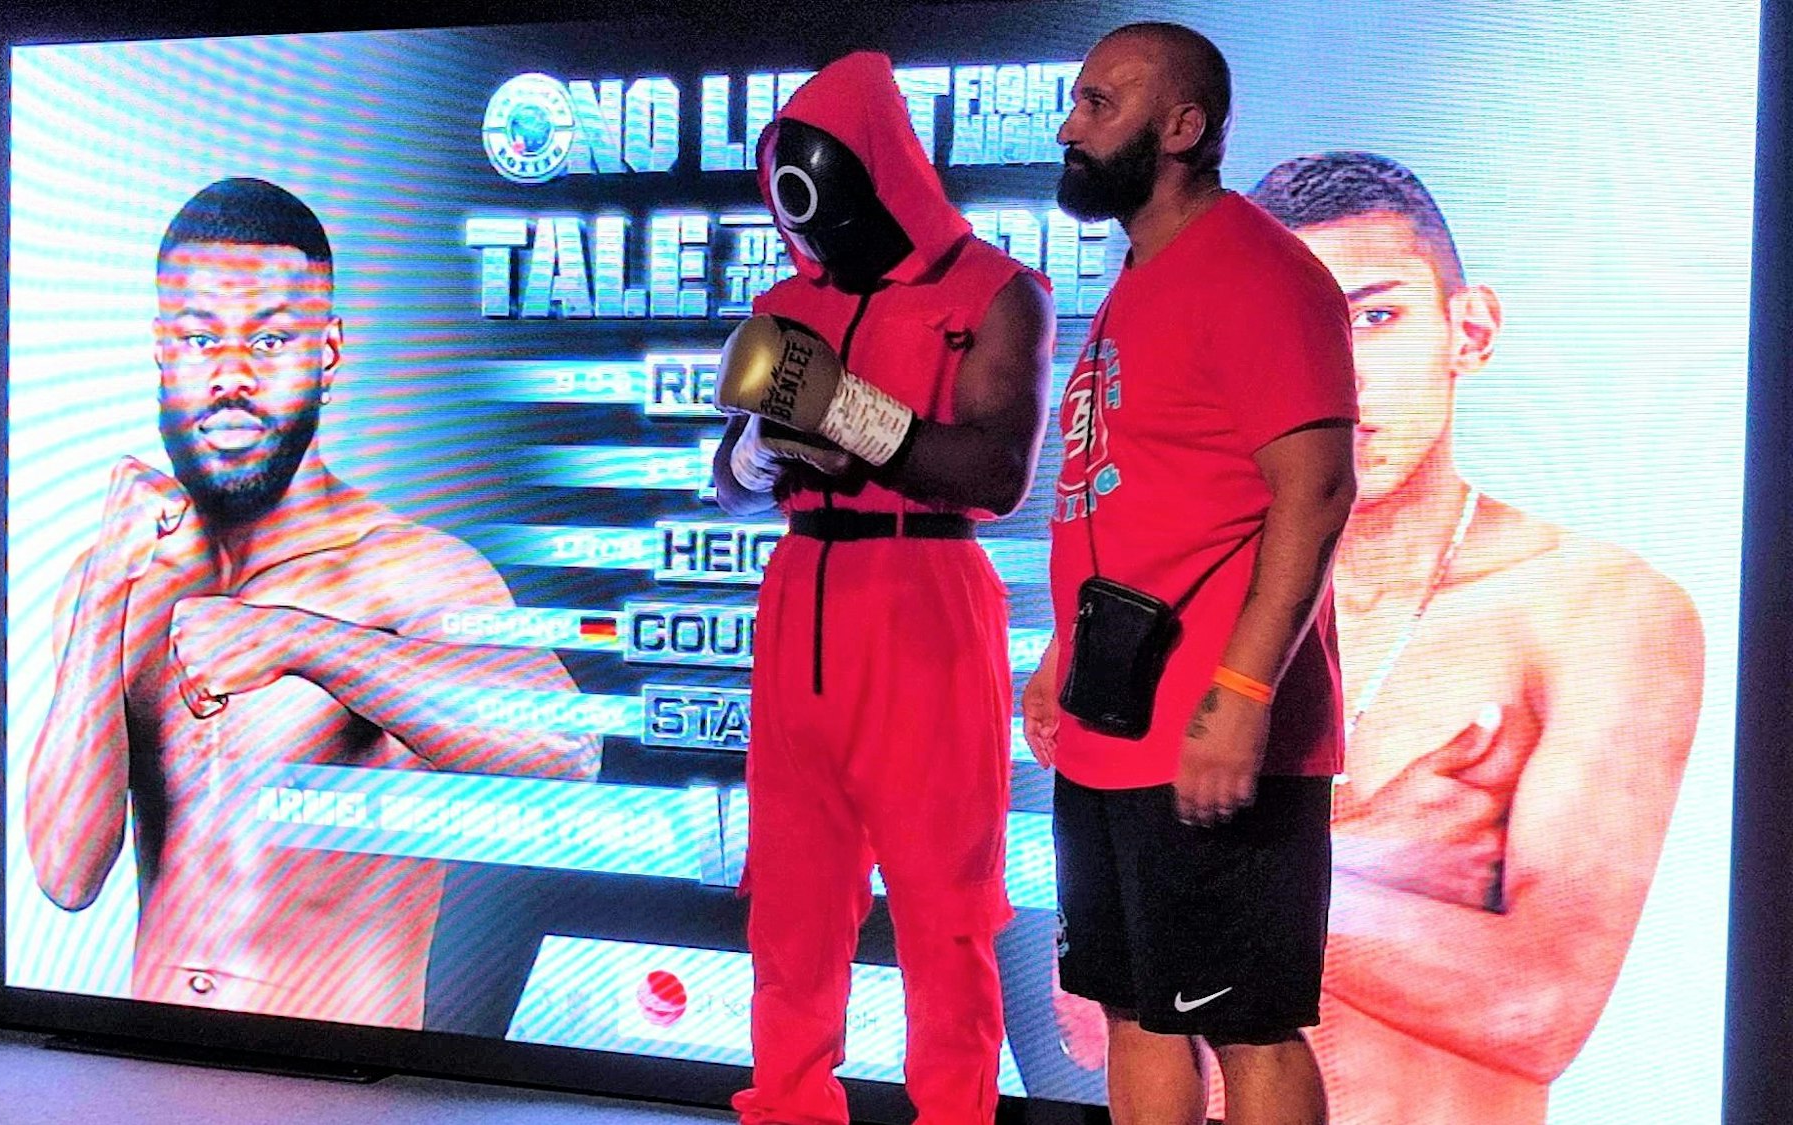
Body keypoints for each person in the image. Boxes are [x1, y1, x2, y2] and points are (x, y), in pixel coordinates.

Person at [24, 177, 599, 1031]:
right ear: (159, 347)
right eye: (198, 338)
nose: (230, 376)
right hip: (152, 1070)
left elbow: (566, 746)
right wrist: (109, 579)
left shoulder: (407, 571)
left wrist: (304, 643)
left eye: (270, 340)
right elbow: (66, 877)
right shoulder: (114, 579)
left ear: (326, 349)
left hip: (342, 1088)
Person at [1243, 150, 1706, 1124]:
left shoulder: (1599, 609)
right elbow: (1084, 1015)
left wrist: (1218, 875)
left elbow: (1537, 1004)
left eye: (1372, 316)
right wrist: (1367, 865)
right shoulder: (1190, 594)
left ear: (1471, 328)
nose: (1334, 369)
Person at [708, 51, 1055, 1125]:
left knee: (941, 903)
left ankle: (954, 1112)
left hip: (925, 593)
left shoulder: (998, 292)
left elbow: (995, 473)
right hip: (800, 595)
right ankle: (787, 1104)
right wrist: (755, 462)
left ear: (880, 173)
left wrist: (847, 416)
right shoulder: (783, 301)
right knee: (792, 900)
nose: (807, 226)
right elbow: (725, 480)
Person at [1021, 22, 1358, 1125]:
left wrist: (1243, 695)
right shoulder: (1137, 280)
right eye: (1073, 103)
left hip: (1213, 730)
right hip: (1110, 731)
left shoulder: (1259, 270)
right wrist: (1056, 656)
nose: (1070, 127)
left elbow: (1312, 493)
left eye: (1098, 105)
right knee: (1131, 1009)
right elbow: (1135, 499)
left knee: (1245, 1022)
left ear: (1182, 127)